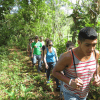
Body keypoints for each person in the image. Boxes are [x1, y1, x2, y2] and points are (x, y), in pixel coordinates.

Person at [52, 27, 100, 100]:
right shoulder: (68, 56)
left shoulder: (96, 54)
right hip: (70, 94)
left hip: (84, 94)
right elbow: (55, 72)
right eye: (87, 45)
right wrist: (70, 81)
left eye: (94, 45)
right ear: (79, 42)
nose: (91, 49)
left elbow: (96, 65)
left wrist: (97, 76)